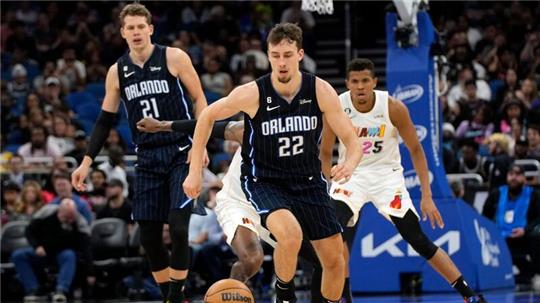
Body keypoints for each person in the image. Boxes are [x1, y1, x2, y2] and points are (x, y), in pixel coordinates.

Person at [183, 23, 362, 303]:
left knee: (336, 259)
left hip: (308, 182)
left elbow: (351, 140)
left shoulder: (320, 91)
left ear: (300, 54)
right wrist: (195, 172)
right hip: (265, 181)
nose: (281, 62)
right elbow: (206, 117)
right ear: (268, 55)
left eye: (287, 55)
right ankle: (285, 297)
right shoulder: (254, 93)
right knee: (290, 234)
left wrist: (349, 163)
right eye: (275, 55)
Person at [70, 3, 208, 302]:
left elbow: (199, 99)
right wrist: (85, 161)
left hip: (180, 150)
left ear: (150, 28)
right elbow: (105, 121)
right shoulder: (116, 71)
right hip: (146, 156)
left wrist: (201, 145)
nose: (135, 32)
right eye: (129, 27)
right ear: (122, 33)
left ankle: (175, 296)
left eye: (139, 26)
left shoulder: (173, 56)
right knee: (147, 236)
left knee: (179, 226)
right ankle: (171, 296)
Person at [319, 58, 486, 303]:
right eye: (355, 81)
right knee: (335, 233)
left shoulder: (393, 107)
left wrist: (427, 196)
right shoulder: (337, 106)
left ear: (374, 82)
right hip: (351, 175)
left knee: (416, 238)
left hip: (387, 176)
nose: (361, 86)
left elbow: (416, 150)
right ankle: (344, 296)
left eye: (366, 80)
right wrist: (327, 178)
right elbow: (324, 152)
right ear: (347, 84)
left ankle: (468, 295)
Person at [136, 117, 327, 302]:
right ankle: (231, 292)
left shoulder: (303, 148)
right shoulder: (249, 130)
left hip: (275, 206)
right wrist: (162, 125)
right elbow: (206, 124)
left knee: (324, 260)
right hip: (239, 202)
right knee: (253, 258)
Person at [11, 199, 94, 303]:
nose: (69, 219)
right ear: (60, 210)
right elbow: (29, 231)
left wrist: (90, 273)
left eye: (71, 217)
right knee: (18, 255)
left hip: (62, 254)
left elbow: (86, 248)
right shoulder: (46, 213)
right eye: (66, 216)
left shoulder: (79, 222)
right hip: (43, 251)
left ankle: (61, 290)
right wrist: (37, 246)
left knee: (69, 254)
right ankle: (33, 289)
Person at [482, 165, 540, 285]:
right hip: (499, 238)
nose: (514, 178)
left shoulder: (534, 195)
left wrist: (525, 230)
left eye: (518, 175)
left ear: (524, 178)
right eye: (511, 174)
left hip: (523, 237)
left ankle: (535, 274)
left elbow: (537, 219)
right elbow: (484, 217)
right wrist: (493, 233)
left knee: (536, 236)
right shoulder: (496, 194)